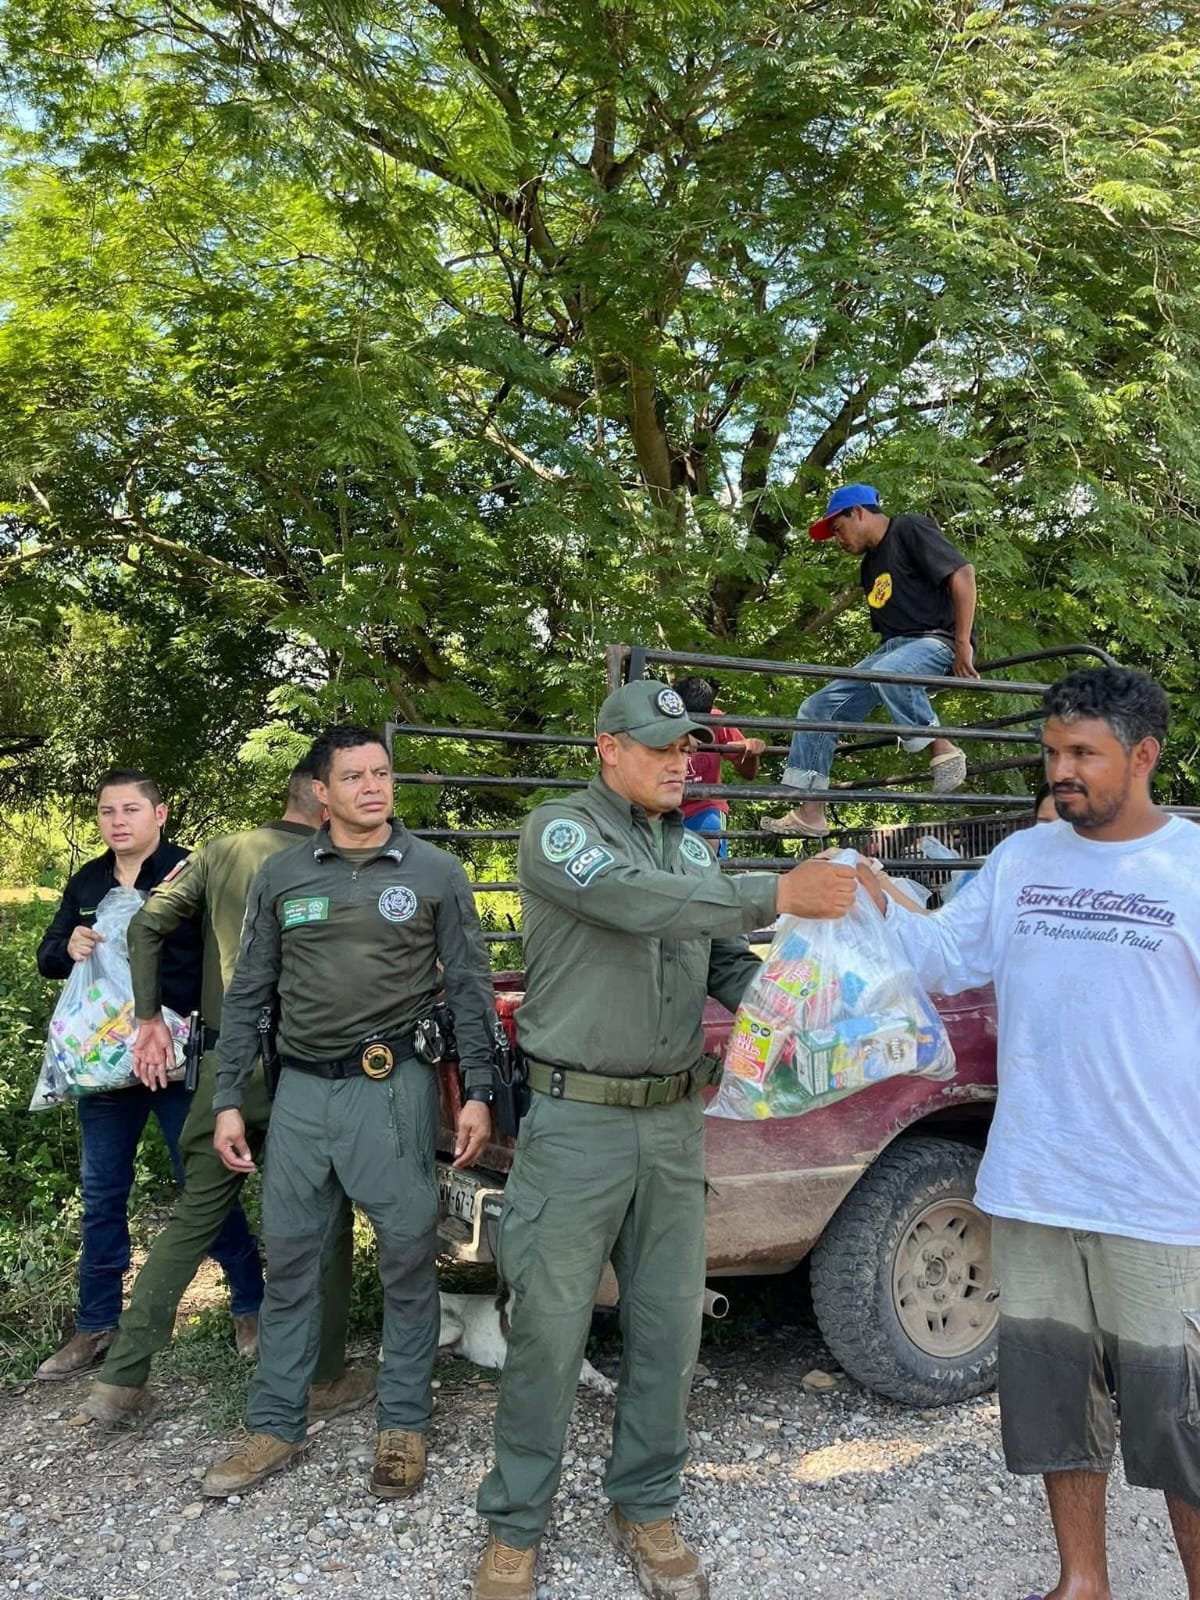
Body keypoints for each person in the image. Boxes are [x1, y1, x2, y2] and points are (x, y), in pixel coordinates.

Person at [471, 679, 858, 1600]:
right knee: (549, 1331)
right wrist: (776, 890)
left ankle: (646, 1503)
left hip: (674, 1124)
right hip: (578, 1125)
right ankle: (516, 1525)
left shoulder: (688, 847)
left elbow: (722, 961)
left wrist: (794, 1012)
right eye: (660, 747)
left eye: (687, 748)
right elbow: (635, 902)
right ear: (608, 748)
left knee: (669, 1325)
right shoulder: (561, 831)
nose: (681, 762)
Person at [852, 667, 1200, 1600]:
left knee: (1182, 1424)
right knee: (1054, 1405)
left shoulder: (1191, 869)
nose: (1062, 771)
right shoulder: (1022, 861)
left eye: (1083, 753)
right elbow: (941, 955)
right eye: (1052, 753)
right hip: (1036, 1184)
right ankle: (1082, 1581)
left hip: (1163, 1199)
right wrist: (860, 891)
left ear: (1144, 755)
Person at [201, 724, 497, 1500]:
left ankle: (404, 1424)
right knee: (292, 1261)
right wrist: (228, 1099)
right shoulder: (284, 873)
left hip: (390, 1090)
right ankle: (275, 1424)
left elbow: (471, 988)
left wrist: (479, 1092)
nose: (372, 787)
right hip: (301, 1095)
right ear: (321, 792)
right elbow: (248, 992)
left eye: (381, 774)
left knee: (406, 1258)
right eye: (354, 776)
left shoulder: (434, 871)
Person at [77, 760, 371, 1431]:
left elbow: (144, 926)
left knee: (194, 1218)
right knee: (326, 1219)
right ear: (324, 800)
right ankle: (323, 1377)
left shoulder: (219, 852)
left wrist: (149, 1019)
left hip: (224, 1067)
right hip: (309, 1072)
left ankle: (120, 1379)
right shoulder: (338, 861)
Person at [33, 769, 260, 1382]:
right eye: (107, 811)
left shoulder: (191, 871)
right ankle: (96, 1324)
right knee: (103, 1193)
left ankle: (250, 1304)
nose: (118, 821)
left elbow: (224, 955)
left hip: (178, 1058)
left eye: (131, 809)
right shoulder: (87, 882)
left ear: (159, 815)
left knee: (203, 1181)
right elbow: (48, 957)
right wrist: (67, 946)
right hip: (106, 1067)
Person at [764, 482, 978, 837]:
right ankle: (811, 811)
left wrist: (962, 642)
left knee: (887, 671)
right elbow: (891, 638)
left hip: (938, 639)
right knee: (816, 708)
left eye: (838, 528)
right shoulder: (869, 568)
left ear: (859, 512)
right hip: (895, 650)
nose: (837, 539)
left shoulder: (908, 527)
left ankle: (943, 748)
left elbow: (963, 573)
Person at [674, 675, 765, 858]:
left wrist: (751, 752)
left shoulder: (717, 721)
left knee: (708, 852)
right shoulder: (659, 722)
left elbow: (749, 773)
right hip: (665, 808)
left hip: (705, 806)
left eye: (699, 726)